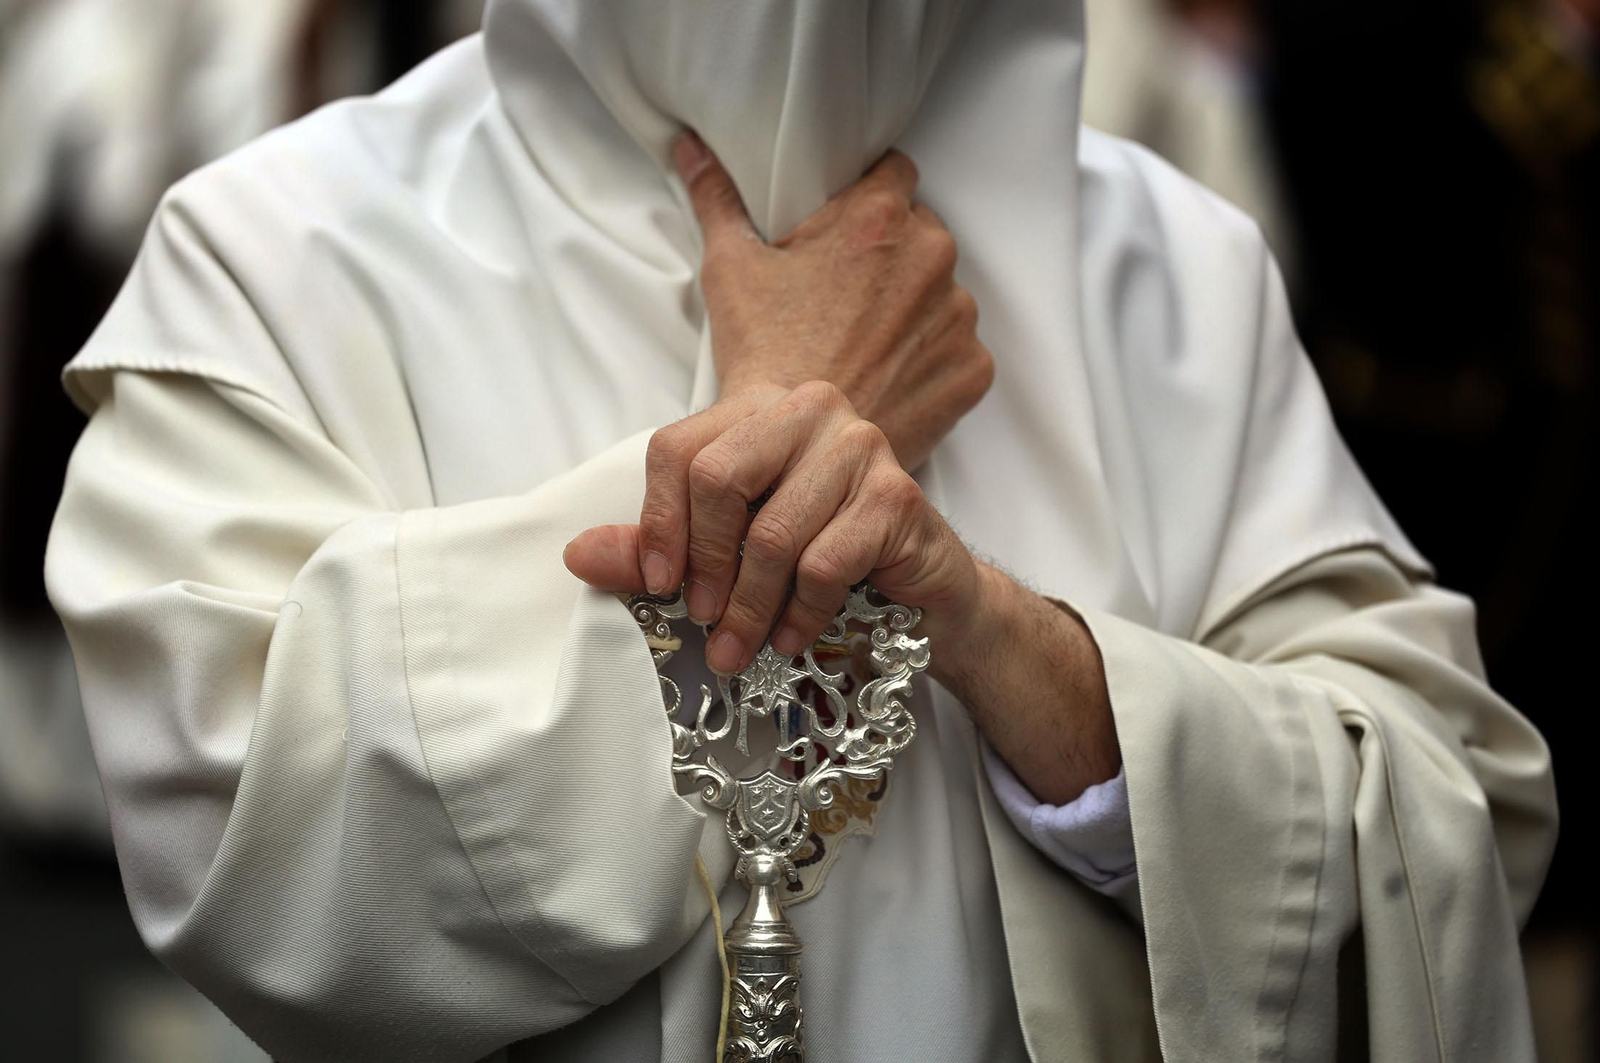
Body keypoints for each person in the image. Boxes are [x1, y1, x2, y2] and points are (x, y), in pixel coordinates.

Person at [43, 2, 1556, 1061]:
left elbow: (1445, 832)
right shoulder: (274, 256)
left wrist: (1017, 651)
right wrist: (800, 409)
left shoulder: (1172, 264)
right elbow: (267, 871)